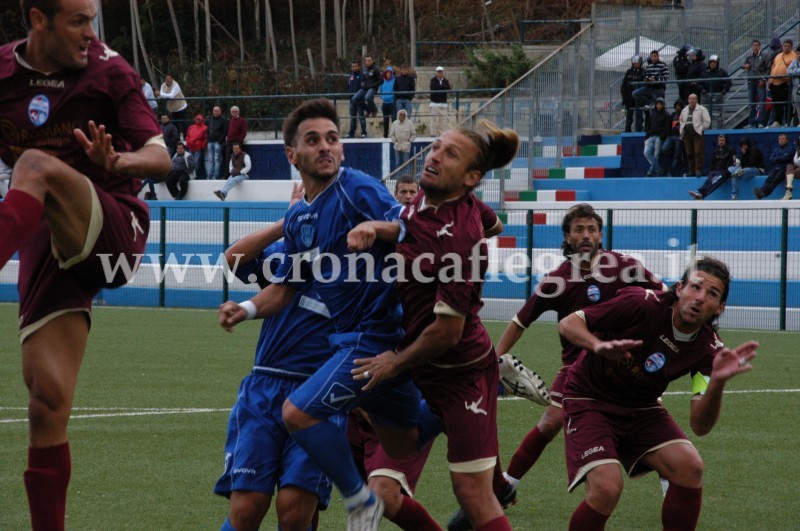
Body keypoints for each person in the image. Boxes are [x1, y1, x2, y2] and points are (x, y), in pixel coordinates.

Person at [218, 98, 427, 531]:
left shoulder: (356, 187)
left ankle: (360, 499)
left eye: (333, 139)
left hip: (367, 342)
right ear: (292, 155)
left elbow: (412, 229)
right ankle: (478, 377)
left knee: (296, 505)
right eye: (313, 141)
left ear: (343, 149)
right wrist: (248, 308)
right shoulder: (300, 222)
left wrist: (376, 228)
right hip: (312, 362)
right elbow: (285, 285)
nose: (326, 147)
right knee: (407, 436)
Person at [0, 1, 170, 529]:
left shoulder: (110, 70)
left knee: (33, 166)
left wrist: (118, 161)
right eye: (78, 20)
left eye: (92, 19)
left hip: (115, 226)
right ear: (38, 20)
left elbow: (162, 156)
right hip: (48, 237)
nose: (89, 33)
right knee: (46, 401)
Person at [348, 121, 523, 531]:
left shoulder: (461, 238)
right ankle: (495, 467)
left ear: (470, 178)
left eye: (449, 154)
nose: (434, 156)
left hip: (459, 376)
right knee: (398, 443)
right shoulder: (430, 201)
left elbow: (447, 334)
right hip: (426, 369)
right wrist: (378, 228)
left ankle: (494, 452)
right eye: (436, 147)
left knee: (472, 494)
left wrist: (395, 362)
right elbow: (417, 228)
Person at [559, 256, 757, 531]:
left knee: (690, 467)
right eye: (695, 287)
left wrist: (717, 384)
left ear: (719, 308)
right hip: (590, 397)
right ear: (679, 289)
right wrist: (597, 346)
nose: (700, 298)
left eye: (711, 294)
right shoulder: (641, 303)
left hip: (641, 408)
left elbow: (700, 424)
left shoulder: (709, 351)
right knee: (606, 487)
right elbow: (569, 323)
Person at [491, 204, 663, 500]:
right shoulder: (557, 279)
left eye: (592, 229)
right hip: (577, 369)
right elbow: (521, 321)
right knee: (549, 423)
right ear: (567, 237)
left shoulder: (624, 266)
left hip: (623, 366)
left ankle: (673, 485)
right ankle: (506, 486)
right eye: (579, 229)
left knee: (653, 425)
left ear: (600, 235)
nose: (586, 235)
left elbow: (664, 296)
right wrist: (492, 361)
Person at [214, 190, 346, 531]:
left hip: (319, 394)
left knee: (295, 511)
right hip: (266, 387)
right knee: (245, 509)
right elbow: (232, 259)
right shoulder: (288, 254)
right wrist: (285, 224)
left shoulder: (360, 268)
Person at [688, 134, 737, 200]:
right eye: (719, 140)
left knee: (714, 182)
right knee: (708, 181)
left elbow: (733, 163)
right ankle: (699, 192)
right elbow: (713, 162)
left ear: (726, 141)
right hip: (715, 171)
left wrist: (728, 171)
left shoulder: (731, 150)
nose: (721, 142)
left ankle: (702, 194)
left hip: (724, 172)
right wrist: (711, 171)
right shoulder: (716, 150)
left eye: (722, 140)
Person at [753, 133, 795, 199]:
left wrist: (777, 158)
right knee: (769, 179)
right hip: (776, 167)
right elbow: (771, 159)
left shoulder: (791, 148)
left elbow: (786, 158)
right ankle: (761, 191)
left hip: (785, 168)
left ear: (787, 140)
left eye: (783, 139)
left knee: (775, 180)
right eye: (780, 139)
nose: (781, 140)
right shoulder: (776, 149)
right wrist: (780, 158)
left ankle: (764, 193)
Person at [767, 39, 797, 127]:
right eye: (785, 46)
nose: (786, 48)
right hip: (774, 83)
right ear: (782, 46)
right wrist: (770, 80)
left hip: (786, 83)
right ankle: (778, 121)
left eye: (788, 46)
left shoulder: (794, 56)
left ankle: (788, 121)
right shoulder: (778, 55)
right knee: (777, 104)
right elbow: (773, 67)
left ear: (791, 47)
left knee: (788, 103)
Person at [679, 93, 710, 177]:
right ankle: (691, 170)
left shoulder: (702, 109)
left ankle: (698, 170)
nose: (692, 100)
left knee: (698, 152)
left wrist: (701, 128)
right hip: (687, 134)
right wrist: (682, 128)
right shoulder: (684, 110)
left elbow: (707, 122)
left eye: (693, 99)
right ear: (688, 100)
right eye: (690, 99)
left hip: (697, 134)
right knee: (689, 153)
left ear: (697, 100)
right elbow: (681, 120)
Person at [742, 39, 770, 128]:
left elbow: (768, 68)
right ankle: (751, 122)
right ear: (751, 46)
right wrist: (744, 66)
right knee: (751, 103)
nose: (755, 47)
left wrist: (763, 79)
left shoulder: (764, 55)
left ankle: (761, 122)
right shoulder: (749, 56)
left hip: (759, 81)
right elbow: (742, 65)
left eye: (757, 45)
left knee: (761, 102)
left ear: (760, 46)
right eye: (753, 45)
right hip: (750, 81)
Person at [701, 55, 731, 129]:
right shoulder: (705, 73)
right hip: (706, 96)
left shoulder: (722, 72)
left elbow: (728, 82)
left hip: (718, 96)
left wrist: (723, 91)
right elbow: (699, 83)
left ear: (717, 63)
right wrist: (703, 90)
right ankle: (706, 130)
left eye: (714, 62)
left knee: (718, 115)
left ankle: (720, 130)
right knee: (706, 115)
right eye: (711, 62)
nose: (712, 64)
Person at [643, 98, 671, 176]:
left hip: (659, 138)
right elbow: (648, 126)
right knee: (646, 153)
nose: (659, 106)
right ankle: (659, 169)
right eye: (658, 104)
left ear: (663, 105)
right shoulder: (653, 114)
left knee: (656, 155)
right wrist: (647, 137)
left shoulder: (666, 115)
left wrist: (661, 137)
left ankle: (650, 172)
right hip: (651, 137)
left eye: (660, 104)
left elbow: (667, 128)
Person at [660, 99, 686, 177]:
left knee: (676, 156)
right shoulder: (673, 114)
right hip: (671, 136)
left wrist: (682, 136)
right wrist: (668, 135)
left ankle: (671, 171)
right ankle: (673, 153)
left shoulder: (685, 114)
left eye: (679, 106)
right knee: (663, 149)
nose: (678, 107)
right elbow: (668, 125)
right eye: (676, 106)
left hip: (679, 137)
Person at [222, 105, 248, 180]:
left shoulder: (242, 120)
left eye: (235, 111)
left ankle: (237, 174)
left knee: (238, 160)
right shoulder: (230, 120)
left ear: (238, 112)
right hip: (229, 143)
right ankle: (226, 175)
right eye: (233, 111)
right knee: (227, 159)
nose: (234, 113)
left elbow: (243, 133)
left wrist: (238, 142)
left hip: (237, 143)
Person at [621, 55, 645, 132]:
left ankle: (639, 129)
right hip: (629, 98)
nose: (635, 64)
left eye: (637, 63)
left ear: (640, 63)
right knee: (629, 116)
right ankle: (627, 130)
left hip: (639, 98)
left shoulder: (643, 72)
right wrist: (624, 98)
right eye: (634, 63)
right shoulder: (629, 72)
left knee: (639, 115)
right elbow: (623, 86)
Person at [347, 60, 368, 138]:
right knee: (352, 118)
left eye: (356, 66)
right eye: (353, 66)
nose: (354, 68)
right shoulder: (350, 76)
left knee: (361, 116)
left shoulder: (362, 75)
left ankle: (364, 132)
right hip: (351, 100)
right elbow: (348, 86)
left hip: (359, 100)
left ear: (359, 67)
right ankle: (351, 133)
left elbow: (364, 87)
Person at [207, 105, 228, 180]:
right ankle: (209, 176)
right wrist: (208, 139)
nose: (215, 112)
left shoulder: (223, 120)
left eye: (217, 111)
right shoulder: (210, 119)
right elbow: (208, 129)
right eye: (214, 111)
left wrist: (220, 141)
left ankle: (216, 176)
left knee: (217, 159)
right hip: (210, 142)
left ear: (220, 111)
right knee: (210, 159)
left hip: (218, 142)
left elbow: (225, 131)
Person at [429, 66, 451, 136]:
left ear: (443, 72)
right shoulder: (433, 80)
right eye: (438, 72)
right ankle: (433, 134)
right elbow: (433, 87)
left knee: (443, 120)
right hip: (434, 103)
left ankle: (442, 134)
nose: (440, 73)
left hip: (443, 103)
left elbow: (449, 89)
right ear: (436, 73)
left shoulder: (446, 81)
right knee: (434, 120)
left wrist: (441, 87)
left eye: (441, 72)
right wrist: (443, 87)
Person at [185, 113, 208, 180]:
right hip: (190, 146)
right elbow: (187, 136)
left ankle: (196, 175)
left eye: (199, 119)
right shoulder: (191, 127)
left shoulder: (205, 128)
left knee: (197, 163)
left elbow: (205, 138)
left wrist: (202, 145)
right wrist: (188, 142)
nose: (198, 120)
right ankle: (191, 175)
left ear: (202, 120)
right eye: (196, 119)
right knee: (190, 162)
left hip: (198, 147)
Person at [379, 66, 397, 138]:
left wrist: (392, 97)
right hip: (385, 103)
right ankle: (385, 135)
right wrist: (383, 97)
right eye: (387, 73)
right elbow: (380, 91)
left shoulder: (395, 80)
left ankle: (394, 135)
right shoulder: (382, 81)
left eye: (390, 73)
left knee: (393, 120)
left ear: (392, 73)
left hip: (392, 103)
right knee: (385, 120)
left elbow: (395, 90)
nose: (388, 74)